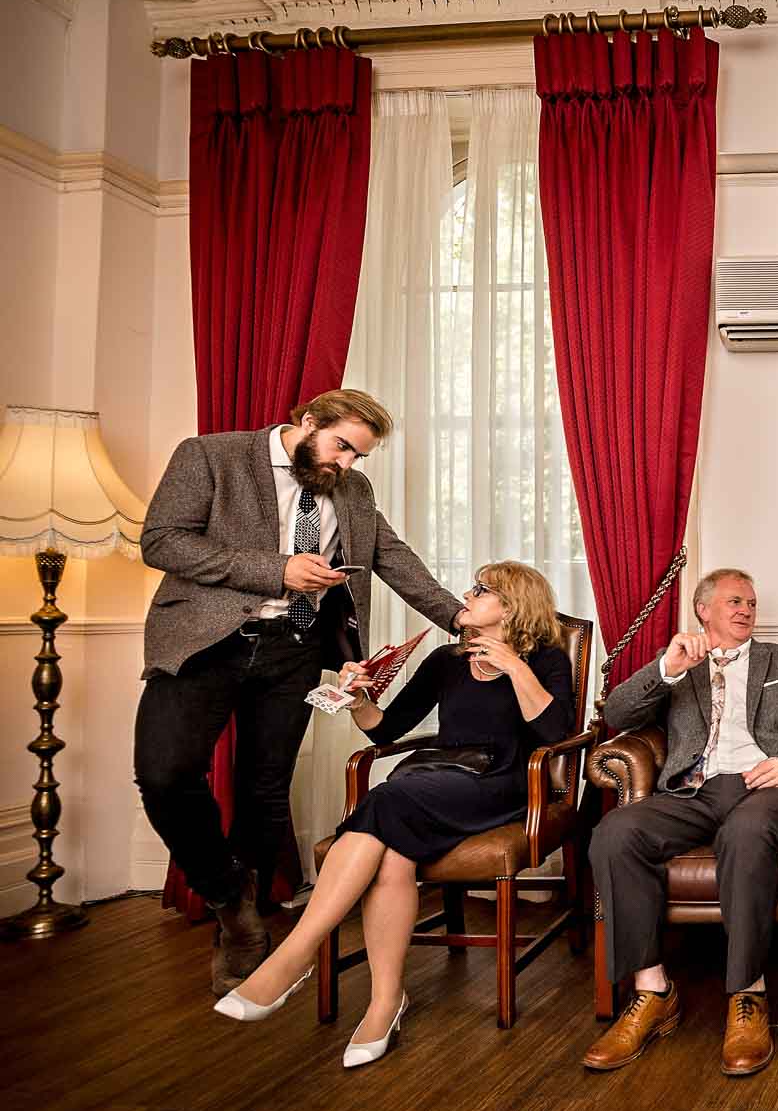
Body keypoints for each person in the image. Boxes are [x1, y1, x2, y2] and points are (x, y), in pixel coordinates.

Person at [135, 389, 467, 996]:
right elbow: (162, 541)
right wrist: (277, 569)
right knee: (162, 773)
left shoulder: (353, 491)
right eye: (341, 446)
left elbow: (393, 558)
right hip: (205, 642)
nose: (345, 465)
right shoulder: (210, 456)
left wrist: (458, 619)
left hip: (293, 650)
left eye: (357, 457)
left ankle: (242, 929)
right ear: (307, 422)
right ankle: (225, 889)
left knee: (264, 788)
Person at [211, 562, 575, 1067]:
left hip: (498, 781)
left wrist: (514, 667)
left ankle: (294, 957)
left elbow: (555, 733)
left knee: (383, 800)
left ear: (510, 607)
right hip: (432, 781)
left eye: (481, 590)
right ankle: (385, 1003)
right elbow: (386, 731)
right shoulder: (446, 659)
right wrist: (359, 698)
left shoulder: (546, 658)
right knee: (393, 852)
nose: (465, 595)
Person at [583, 569, 778, 1078]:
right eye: (734, 601)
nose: (746, 609)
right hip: (693, 790)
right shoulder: (681, 664)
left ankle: (748, 995)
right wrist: (667, 667)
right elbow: (620, 714)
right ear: (703, 610)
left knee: (745, 833)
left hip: (765, 787)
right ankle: (653, 993)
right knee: (616, 832)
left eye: (752, 603)